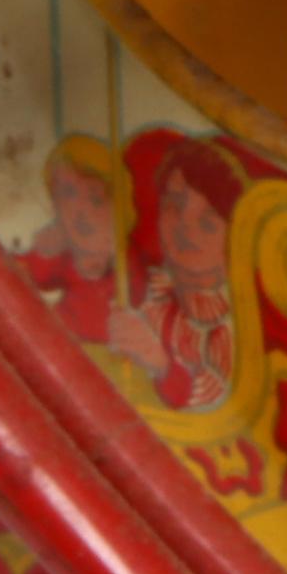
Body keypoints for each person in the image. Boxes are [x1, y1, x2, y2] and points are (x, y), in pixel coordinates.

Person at [107, 134, 252, 413]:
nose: (186, 226)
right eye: (174, 206)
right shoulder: (144, 289)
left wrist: (160, 364)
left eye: (208, 220)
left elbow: (218, 401)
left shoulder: (230, 325)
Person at [22, 135, 125, 344]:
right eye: (68, 195)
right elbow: (22, 277)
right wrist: (43, 253)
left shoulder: (127, 266)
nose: (82, 211)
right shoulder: (63, 261)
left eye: (95, 199)